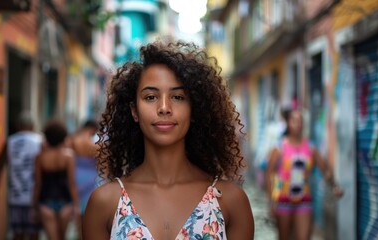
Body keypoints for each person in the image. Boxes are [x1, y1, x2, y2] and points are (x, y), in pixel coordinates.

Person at [82, 41, 254, 239]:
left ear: (194, 109)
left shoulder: (231, 202)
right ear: (134, 111)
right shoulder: (104, 203)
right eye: (151, 97)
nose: (164, 107)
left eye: (178, 97)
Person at [266, 108, 343, 240]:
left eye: (300, 121)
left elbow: (325, 170)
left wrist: (334, 186)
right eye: (294, 120)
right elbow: (270, 174)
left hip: (304, 201)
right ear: (288, 123)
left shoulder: (311, 147)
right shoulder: (279, 147)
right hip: (283, 201)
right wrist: (271, 201)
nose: (298, 124)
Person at [0, 111, 43, 240]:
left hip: (15, 197)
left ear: (18, 125)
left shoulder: (10, 141)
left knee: (17, 233)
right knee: (33, 234)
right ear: (32, 125)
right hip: (34, 198)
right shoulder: (40, 141)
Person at [32, 120, 79, 240]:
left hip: (45, 202)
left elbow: (37, 183)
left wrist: (33, 206)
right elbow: (71, 183)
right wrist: (76, 205)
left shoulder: (40, 157)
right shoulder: (69, 156)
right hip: (65, 202)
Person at [70, 120, 102, 239]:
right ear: (93, 129)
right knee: (90, 213)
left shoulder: (73, 141)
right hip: (91, 178)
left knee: (78, 213)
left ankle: (79, 234)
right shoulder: (96, 145)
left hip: (76, 175)